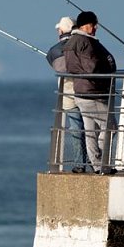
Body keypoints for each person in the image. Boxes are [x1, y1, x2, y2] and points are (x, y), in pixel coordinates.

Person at [64, 10, 116, 173]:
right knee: (110, 126)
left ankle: (97, 164)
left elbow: (73, 67)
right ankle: (100, 161)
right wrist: (105, 68)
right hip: (93, 92)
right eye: (94, 25)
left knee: (90, 131)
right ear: (85, 25)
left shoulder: (72, 42)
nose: (95, 28)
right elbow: (91, 66)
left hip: (80, 92)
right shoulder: (86, 42)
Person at [45, 16, 88, 171]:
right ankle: (93, 160)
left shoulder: (56, 49)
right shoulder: (84, 43)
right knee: (91, 126)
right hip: (88, 90)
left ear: (61, 30)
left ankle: (80, 163)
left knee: (76, 127)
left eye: (59, 29)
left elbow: (53, 62)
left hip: (70, 92)